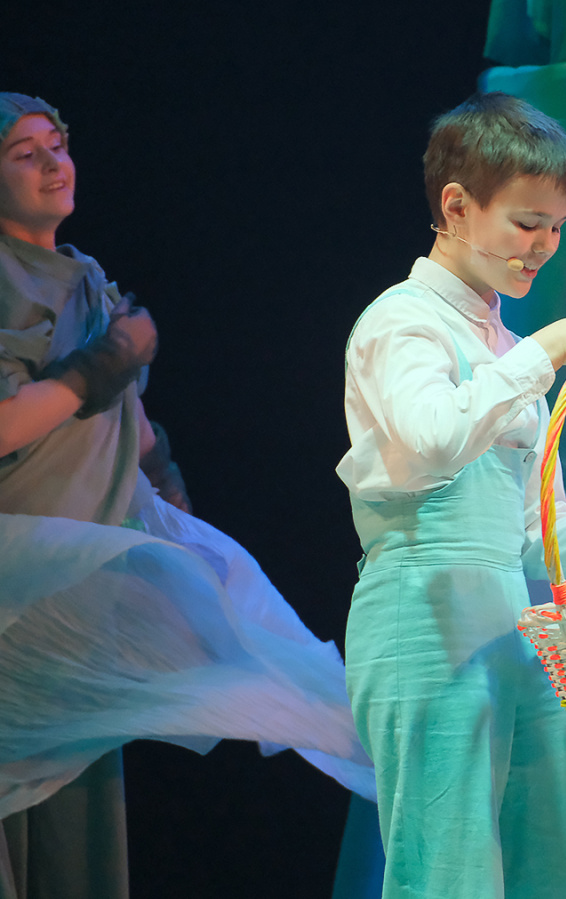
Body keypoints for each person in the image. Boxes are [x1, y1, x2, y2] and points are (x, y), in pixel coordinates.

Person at [0, 92, 370, 899]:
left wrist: (166, 480)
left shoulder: (88, 279)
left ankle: (384, 749)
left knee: (76, 807)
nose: (54, 162)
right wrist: (108, 360)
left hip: (84, 581)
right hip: (20, 574)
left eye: (58, 145)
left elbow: (120, 427)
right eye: (25, 154)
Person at [337, 92, 566, 899]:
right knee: (449, 873)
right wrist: (546, 349)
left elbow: (536, 525)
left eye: (557, 227)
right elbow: (433, 439)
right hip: (424, 614)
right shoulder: (403, 321)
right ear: (456, 207)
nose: (543, 247)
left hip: (506, 622)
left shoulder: (504, 346)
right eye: (527, 223)